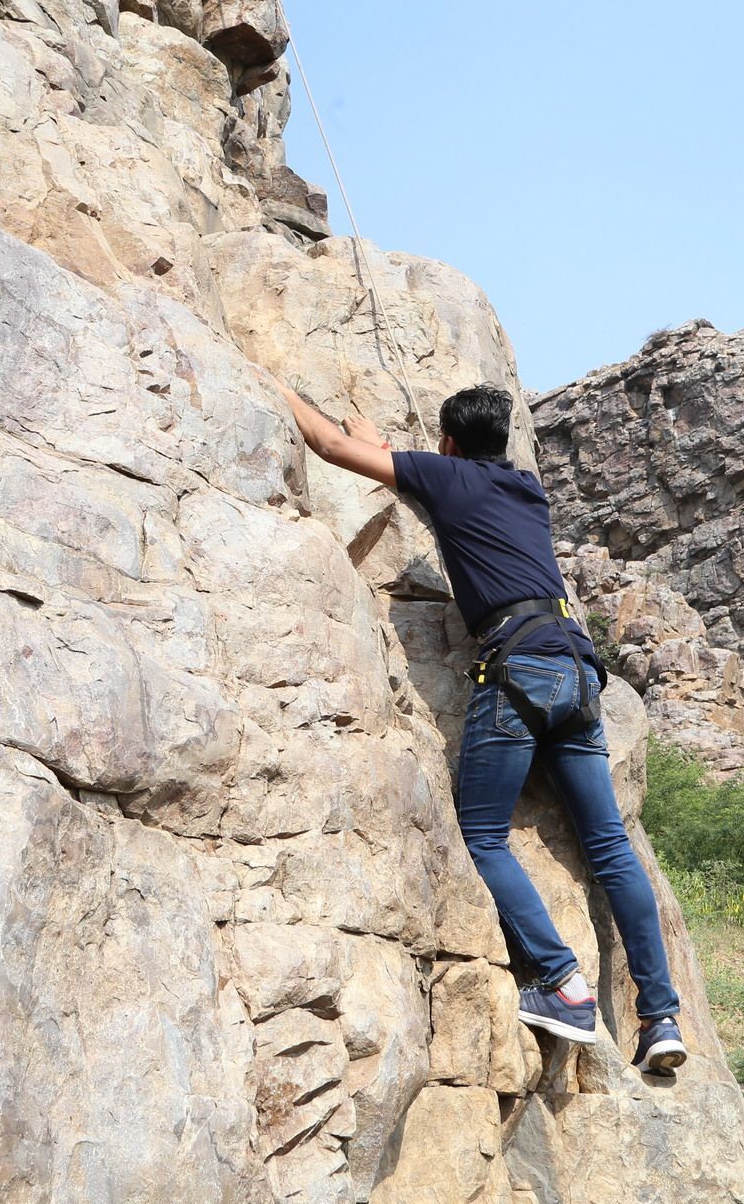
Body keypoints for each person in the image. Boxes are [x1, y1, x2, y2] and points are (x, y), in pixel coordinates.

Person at [276, 380, 687, 1074]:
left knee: (483, 835)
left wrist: (278, 388)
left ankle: (563, 983)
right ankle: (661, 1015)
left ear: (449, 442)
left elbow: (328, 444)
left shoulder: (443, 474)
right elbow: (415, 468)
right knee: (610, 848)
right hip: (579, 670)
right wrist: (391, 447)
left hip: (519, 669)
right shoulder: (525, 486)